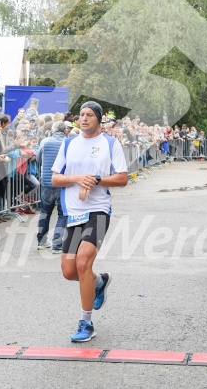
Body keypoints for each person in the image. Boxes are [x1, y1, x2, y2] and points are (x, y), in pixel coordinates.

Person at [52, 101, 128, 343]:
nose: (83, 119)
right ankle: (99, 281)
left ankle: (86, 322)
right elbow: (55, 178)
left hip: (97, 210)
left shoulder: (110, 143)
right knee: (69, 271)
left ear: (99, 118)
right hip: (72, 212)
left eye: (89, 115)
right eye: (81, 115)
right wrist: (76, 179)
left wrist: (95, 180)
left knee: (83, 262)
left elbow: (122, 178)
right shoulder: (68, 143)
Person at [37, 121, 68, 253]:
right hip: (62, 182)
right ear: (65, 130)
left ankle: (42, 241)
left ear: (53, 130)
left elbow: (38, 159)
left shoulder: (45, 141)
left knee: (45, 212)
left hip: (47, 181)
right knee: (62, 214)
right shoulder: (69, 142)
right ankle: (57, 244)